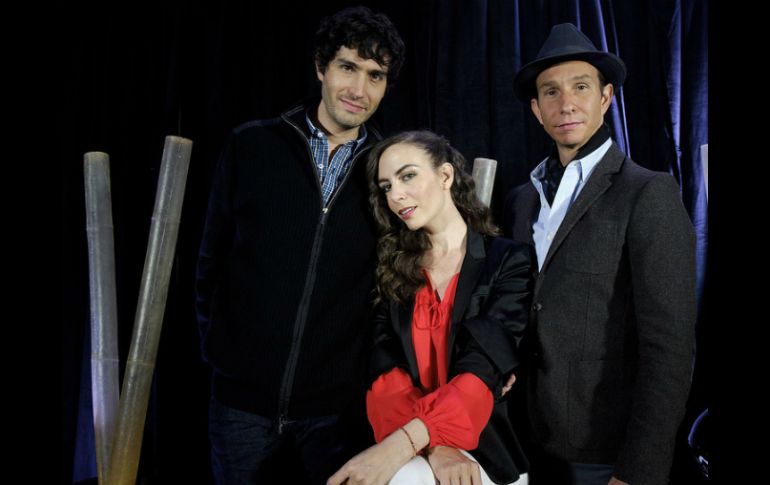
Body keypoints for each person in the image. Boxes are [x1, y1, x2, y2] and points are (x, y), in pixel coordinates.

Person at [195, 6, 405, 484]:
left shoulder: (389, 170)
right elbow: (211, 260)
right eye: (348, 67)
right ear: (321, 67)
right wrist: (221, 352)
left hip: (335, 412)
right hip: (241, 404)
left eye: (375, 76)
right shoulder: (252, 146)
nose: (359, 89)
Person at [502, 23, 696, 485]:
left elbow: (669, 349)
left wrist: (638, 471)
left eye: (581, 87)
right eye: (551, 92)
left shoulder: (647, 193)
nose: (566, 104)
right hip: (522, 445)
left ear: (606, 97)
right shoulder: (520, 200)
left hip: (605, 453)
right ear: (536, 109)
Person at [328, 130, 534, 485]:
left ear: (445, 175)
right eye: (386, 186)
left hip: (483, 445)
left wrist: (406, 443)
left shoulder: (507, 260)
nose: (395, 195)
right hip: (405, 435)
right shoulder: (392, 268)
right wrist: (431, 445)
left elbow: (482, 369)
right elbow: (384, 374)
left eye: (407, 176)